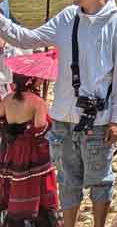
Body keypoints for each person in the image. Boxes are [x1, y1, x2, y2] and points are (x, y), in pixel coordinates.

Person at [0, 0, 117, 227]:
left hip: (98, 119)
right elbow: (28, 38)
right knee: (67, 180)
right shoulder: (67, 16)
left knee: (101, 181)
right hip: (63, 115)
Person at [0, 61, 62, 227]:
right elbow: (40, 130)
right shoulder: (37, 101)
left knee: (14, 182)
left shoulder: (7, 98)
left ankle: (15, 218)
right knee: (36, 184)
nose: (41, 80)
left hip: (11, 149)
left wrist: (13, 130)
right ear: (32, 81)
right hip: (31, 151)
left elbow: (1, 121)